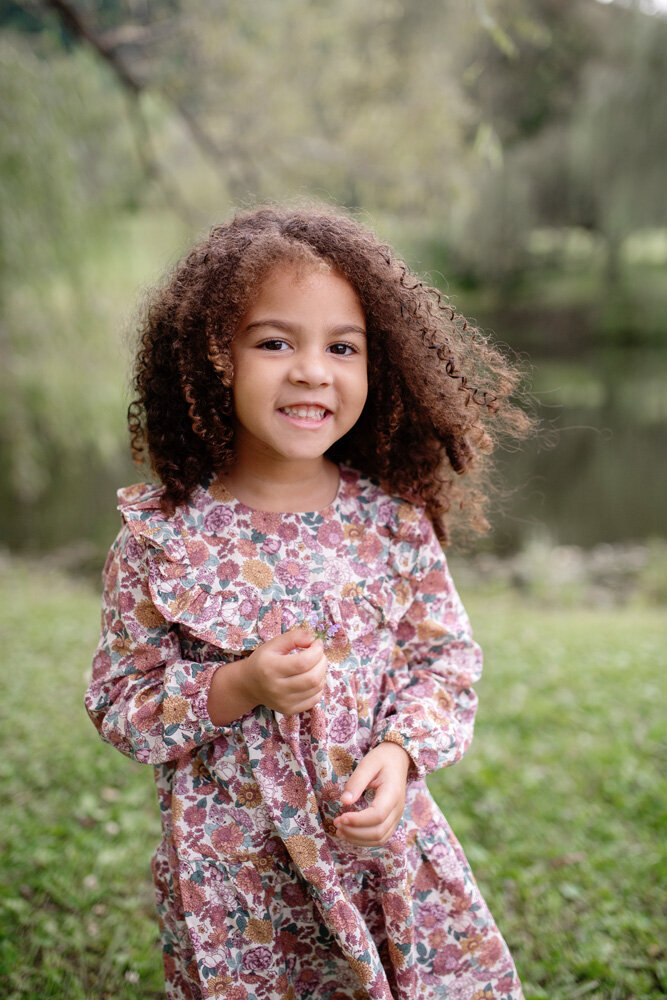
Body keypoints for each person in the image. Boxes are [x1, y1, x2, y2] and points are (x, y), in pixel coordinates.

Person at [86, 205, 531, 1000]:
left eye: (341, 347)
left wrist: (399, 758)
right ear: (210, 359)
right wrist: (238, 686)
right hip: (239, 878)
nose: (311, 371)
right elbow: (121, 700)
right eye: (273, 342)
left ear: (377, 365)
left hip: (378, 852)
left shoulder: (391, 522)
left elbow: (443, 658)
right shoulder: (164, 541)